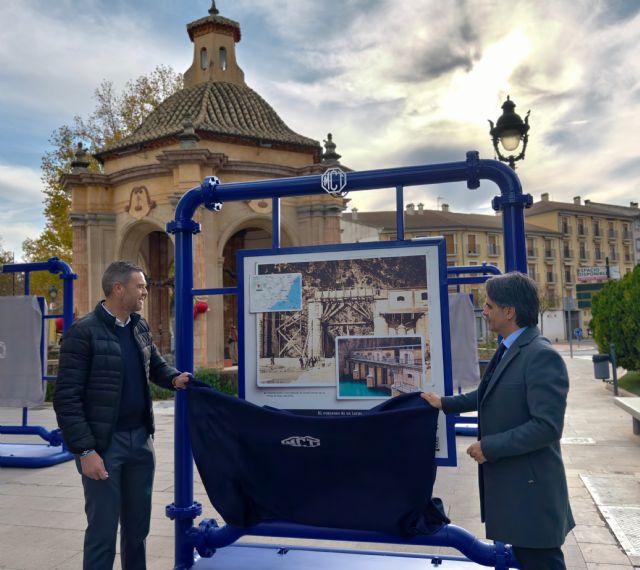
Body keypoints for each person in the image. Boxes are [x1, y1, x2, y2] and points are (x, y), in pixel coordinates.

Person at [422, 272, 574, 570]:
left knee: (541, 561)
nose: (485, 312)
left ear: (509, 311)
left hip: (532, 493)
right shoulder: (511, 348)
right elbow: (488, 392)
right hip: (519, 491)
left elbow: (547, 427)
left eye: (489, 306)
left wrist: (489, 447)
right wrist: (444, 404)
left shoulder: (540, 356)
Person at [53, 261, 190, 570]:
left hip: (141, 442)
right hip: (104, 446)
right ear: (118, 289)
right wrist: (86, 451)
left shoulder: (139, 326)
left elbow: (154, 365)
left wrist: (173, 378)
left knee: (137, 529)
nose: (145, 291)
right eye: (139, 286)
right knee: (102, 532)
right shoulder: (82, 332)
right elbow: (67, 399)